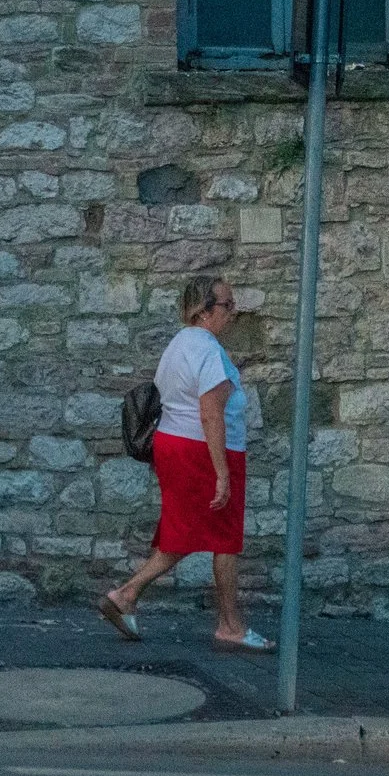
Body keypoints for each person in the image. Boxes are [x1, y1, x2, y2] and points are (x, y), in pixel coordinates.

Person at [99, 274, 274, 652]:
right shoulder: (208, 350)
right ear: (204, 311)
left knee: (186, 531)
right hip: (204, 451)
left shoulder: (179, 344)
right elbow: (211, 413)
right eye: (227, 305)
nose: (234, 311)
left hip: (175, 445)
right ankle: (230, 626)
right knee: (224, 539)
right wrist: (223, 474)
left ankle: (126, 596)